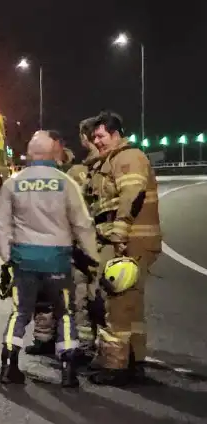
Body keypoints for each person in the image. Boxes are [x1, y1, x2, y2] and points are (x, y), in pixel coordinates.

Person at [0, 131, 99, 387]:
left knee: (21, 312)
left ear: (30, 154)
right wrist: (93, 258)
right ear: (53, 154)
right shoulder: (65, 183)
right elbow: (82, 224)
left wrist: (7, 256)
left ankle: (9, 366)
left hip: (24, 261)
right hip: (58, 262)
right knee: (65, 314)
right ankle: (68, 370)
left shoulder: (13, 183)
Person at [86, 110, 161, 386]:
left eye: (101, 136)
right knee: (131, 306)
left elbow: (132, 194)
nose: (98, 141)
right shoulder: (112, 160)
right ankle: (134, 360)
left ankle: (115, 367)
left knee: (116, 304)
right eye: (95, 136)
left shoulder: (128, 158)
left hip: (131, 242)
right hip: (126, 241)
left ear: (116, 134)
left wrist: (119, 232)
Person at [26, 120, 100, 358]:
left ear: (57, 144)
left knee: (76, 298)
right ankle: (43, 339)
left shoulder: (76, 171)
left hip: (70, 245)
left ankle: (82, 346)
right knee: (44, 296)